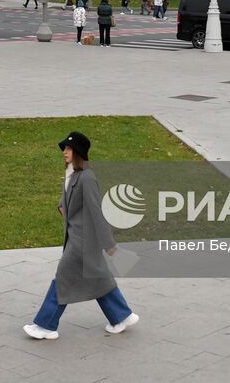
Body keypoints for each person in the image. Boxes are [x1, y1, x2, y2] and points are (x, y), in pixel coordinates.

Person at [24, 132, 138, 341]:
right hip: (75, 237)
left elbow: (97, 212)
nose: (64, 152)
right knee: (97, 278)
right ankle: (122, 316)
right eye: (64, 149)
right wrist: (62, 206)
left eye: (68, 149)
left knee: (63, 279)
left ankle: (45, 325)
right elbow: (67, 200)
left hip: (83, 242)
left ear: (78, 152)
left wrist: (110, 246)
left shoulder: (87, 178)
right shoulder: (73, 173)